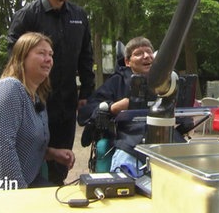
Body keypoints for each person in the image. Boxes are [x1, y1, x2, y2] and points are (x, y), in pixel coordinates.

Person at [7, 0, 94, 185]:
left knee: (60, 165)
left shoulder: (79, 16)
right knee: (31, 159)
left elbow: (86, 57)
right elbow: (13, 56)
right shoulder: (27, 16)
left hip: (67, 105)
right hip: (35, 103)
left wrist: (86, 93)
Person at [0, 32, 75, 189]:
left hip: (13, 183)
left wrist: (52, 153)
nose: (48, 59)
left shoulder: (37, 98)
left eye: (50, 54)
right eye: (41, 53)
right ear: (22, 57)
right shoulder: (9, 89)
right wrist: (19, 196)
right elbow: (2, 148)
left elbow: (23, 143)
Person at [78, 37, 186, 177]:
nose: (147, 56)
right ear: (128, 62)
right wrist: (113, 107)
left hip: (168, 142)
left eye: (149, 52)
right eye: (139, 53)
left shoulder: (168, 82)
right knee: (125, 178)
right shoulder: (117, 81)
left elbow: (185, 118)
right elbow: (85, 112)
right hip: (129, 145)